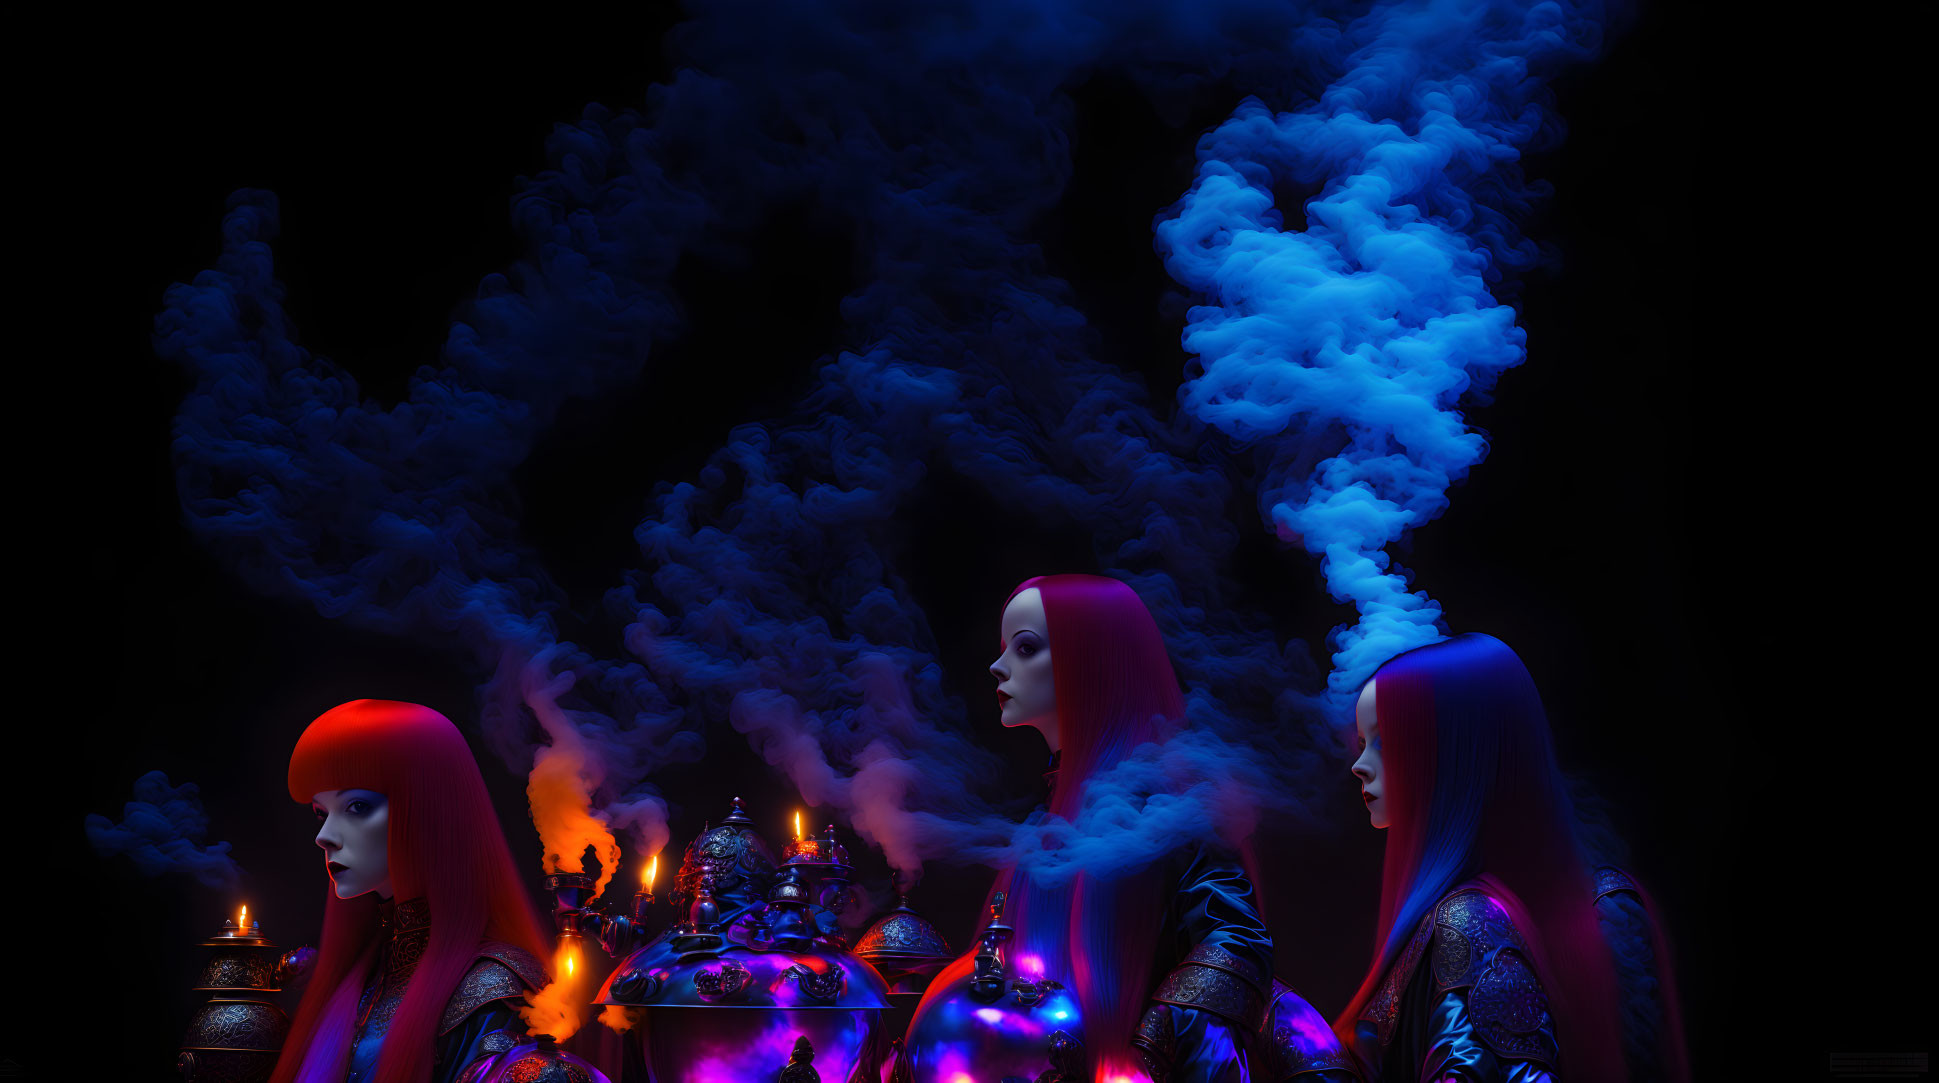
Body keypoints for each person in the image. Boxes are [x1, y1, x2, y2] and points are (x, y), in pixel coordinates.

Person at [903, 574, 1351, 1082]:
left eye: (1025, 648)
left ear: (1092, 661)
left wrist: (1152, 1045)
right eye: (1005, 648)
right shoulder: (1052, 817)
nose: (997, 666)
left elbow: (1235, 938)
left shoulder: (1170, 801)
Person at [1336, 634, 1684, 1082]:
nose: (1358, 765)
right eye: (1363, 742)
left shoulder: (1468, 919)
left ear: (1458, 748)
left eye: (1385, 742)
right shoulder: (1599, 905)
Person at [270, 699, 553, 1083]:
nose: (324, 837)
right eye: (321, 812)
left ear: (427, 808)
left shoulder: (490, 989)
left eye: (355, 806)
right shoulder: (364, 968)